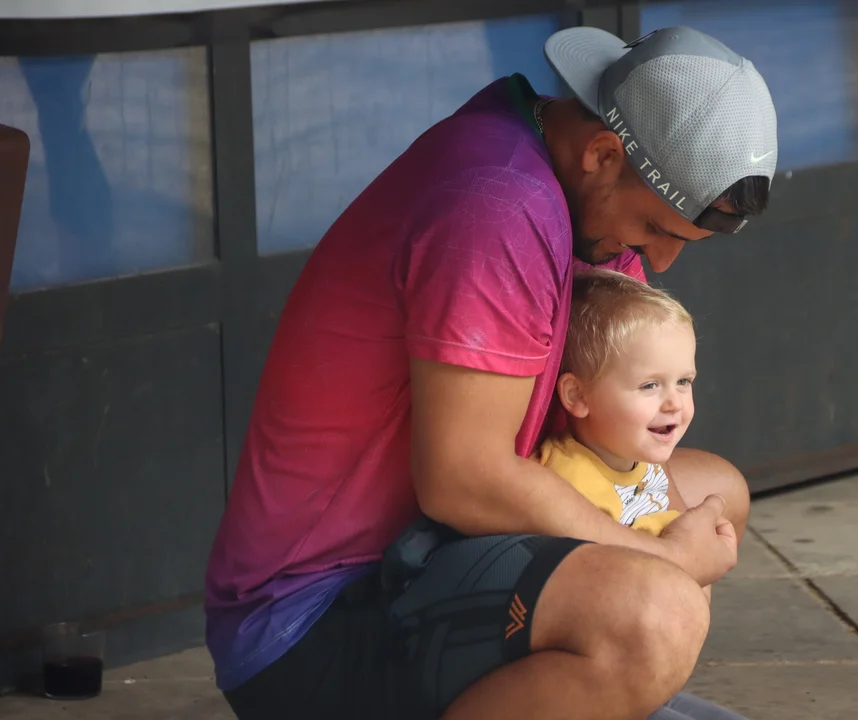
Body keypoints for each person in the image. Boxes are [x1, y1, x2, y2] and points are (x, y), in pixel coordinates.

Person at [205, 23, 778, 720]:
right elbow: (463, 479)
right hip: (317, 622)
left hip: (430, 556)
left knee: (715, 496)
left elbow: (591, 429)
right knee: (656, 614)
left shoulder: (568, 177)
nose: (658, 261)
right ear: (603, 153)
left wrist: (665, 543)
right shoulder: (500, 205)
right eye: (656, 229)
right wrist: (663, 563)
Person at [538, 268, 697, 538]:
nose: (674, 404)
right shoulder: (572, 486)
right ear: (578, 396)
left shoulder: (635, 456)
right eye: (649, 385)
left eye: (683, 381)